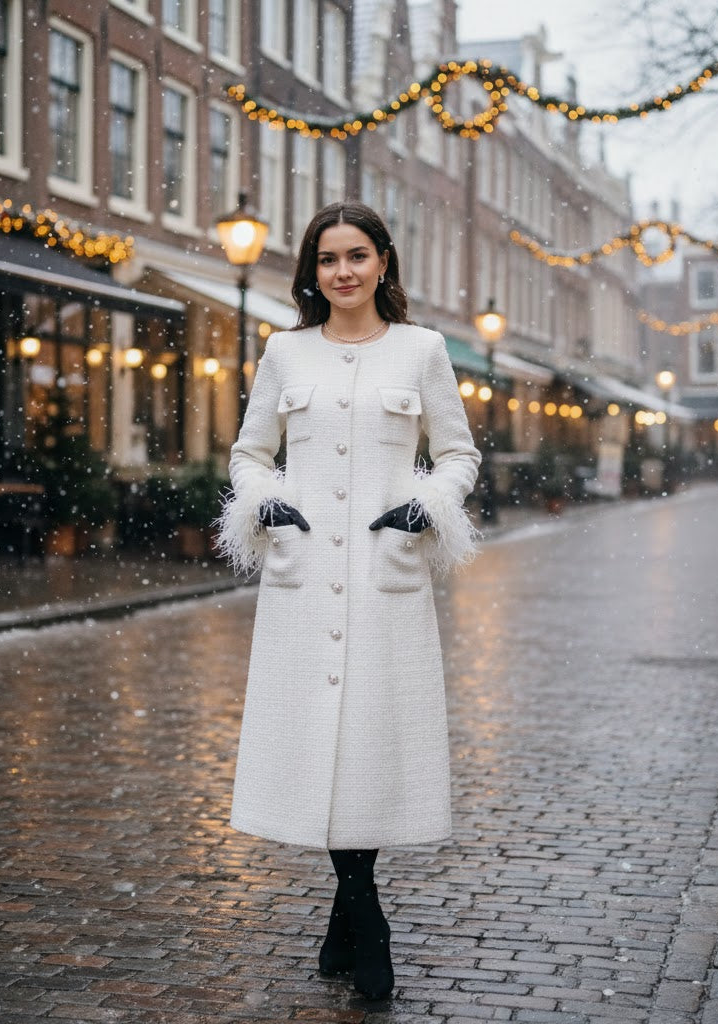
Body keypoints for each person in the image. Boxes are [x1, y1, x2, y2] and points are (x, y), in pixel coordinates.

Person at [216, 201, 481, 1001]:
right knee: (317, 744)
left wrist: (425, 510)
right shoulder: (285, 353)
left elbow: (459, 451)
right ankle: (367, 918)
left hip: (385, 574)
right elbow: (249, 451)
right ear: (312, 272)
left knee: (368, 742)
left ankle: (352, 917)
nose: (343, 272)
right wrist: (266, 503)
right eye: (328, 259)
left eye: (357, 256)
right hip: (302, 583)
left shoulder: (423, 350)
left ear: (383, 263)